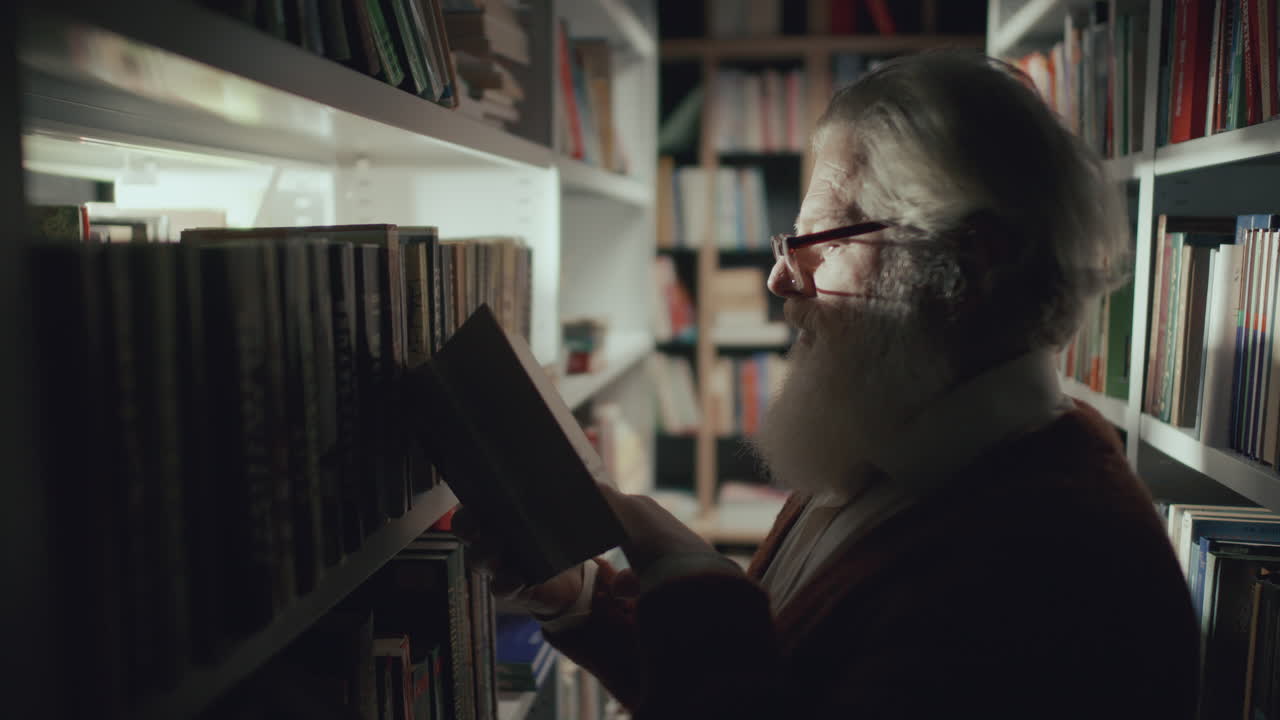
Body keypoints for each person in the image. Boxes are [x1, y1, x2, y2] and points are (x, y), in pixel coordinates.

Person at [456, 51, 1198, 719]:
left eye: (818, 243)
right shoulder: (897, 431)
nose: (781, 278)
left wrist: (689, 575)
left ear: (966, 264)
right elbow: (773, 686)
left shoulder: (1052, 565)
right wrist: (579, 603)